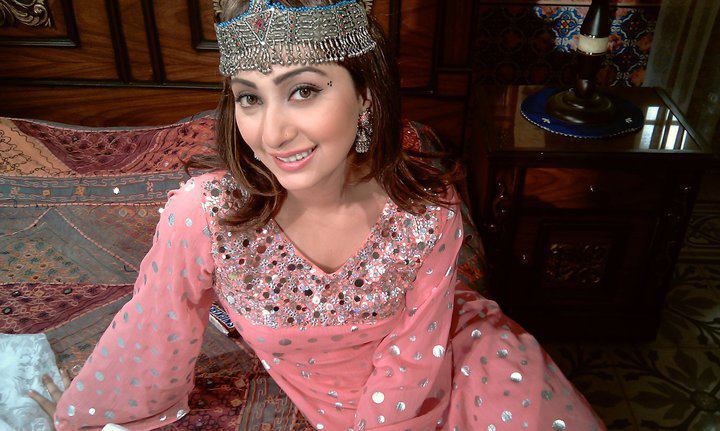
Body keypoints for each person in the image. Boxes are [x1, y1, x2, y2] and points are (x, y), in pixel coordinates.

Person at [31, 0, 607, 429]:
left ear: (366, 98)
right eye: (249, 97)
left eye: (303, 91)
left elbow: (415, 355)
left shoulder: (428, 212)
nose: (272, 133)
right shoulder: (203, 215)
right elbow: (156, 326)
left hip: (468, 358)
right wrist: (93, 412)